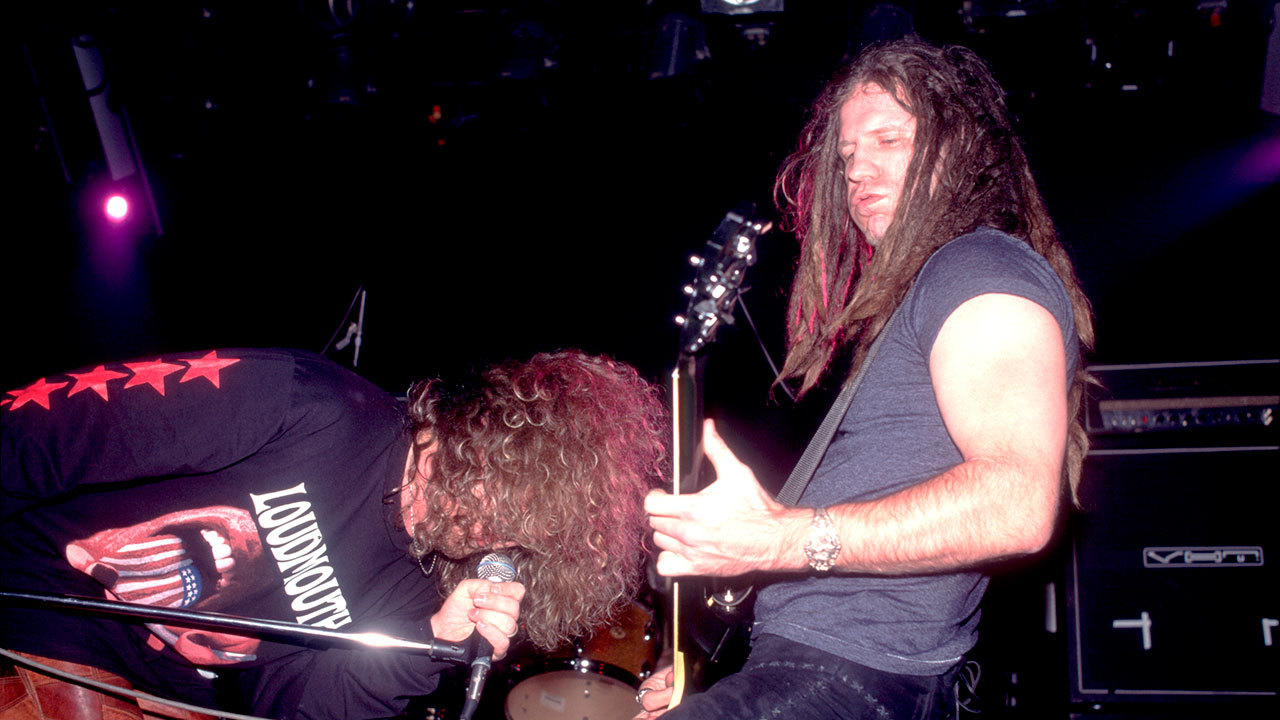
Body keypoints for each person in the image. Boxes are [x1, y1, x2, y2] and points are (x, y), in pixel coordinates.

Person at [638, 38, 1094, 719]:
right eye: (849, 157)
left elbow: (1017, 505)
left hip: (852, 677)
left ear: (961, 147)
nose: (859, 173)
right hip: (815, 673)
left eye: (888, 140)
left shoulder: (978, 269)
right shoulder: (930, 292)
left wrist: (779, 538)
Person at [1, 347, 668, 719]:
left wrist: (426, 645)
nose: (504, 538)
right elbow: (54, 431)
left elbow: (286, 702)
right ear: (495, 438)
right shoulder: (308, 407)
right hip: (48, 602)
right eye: (517, 501)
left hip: (159, 694)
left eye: (530, 536)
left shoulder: (422, 594)